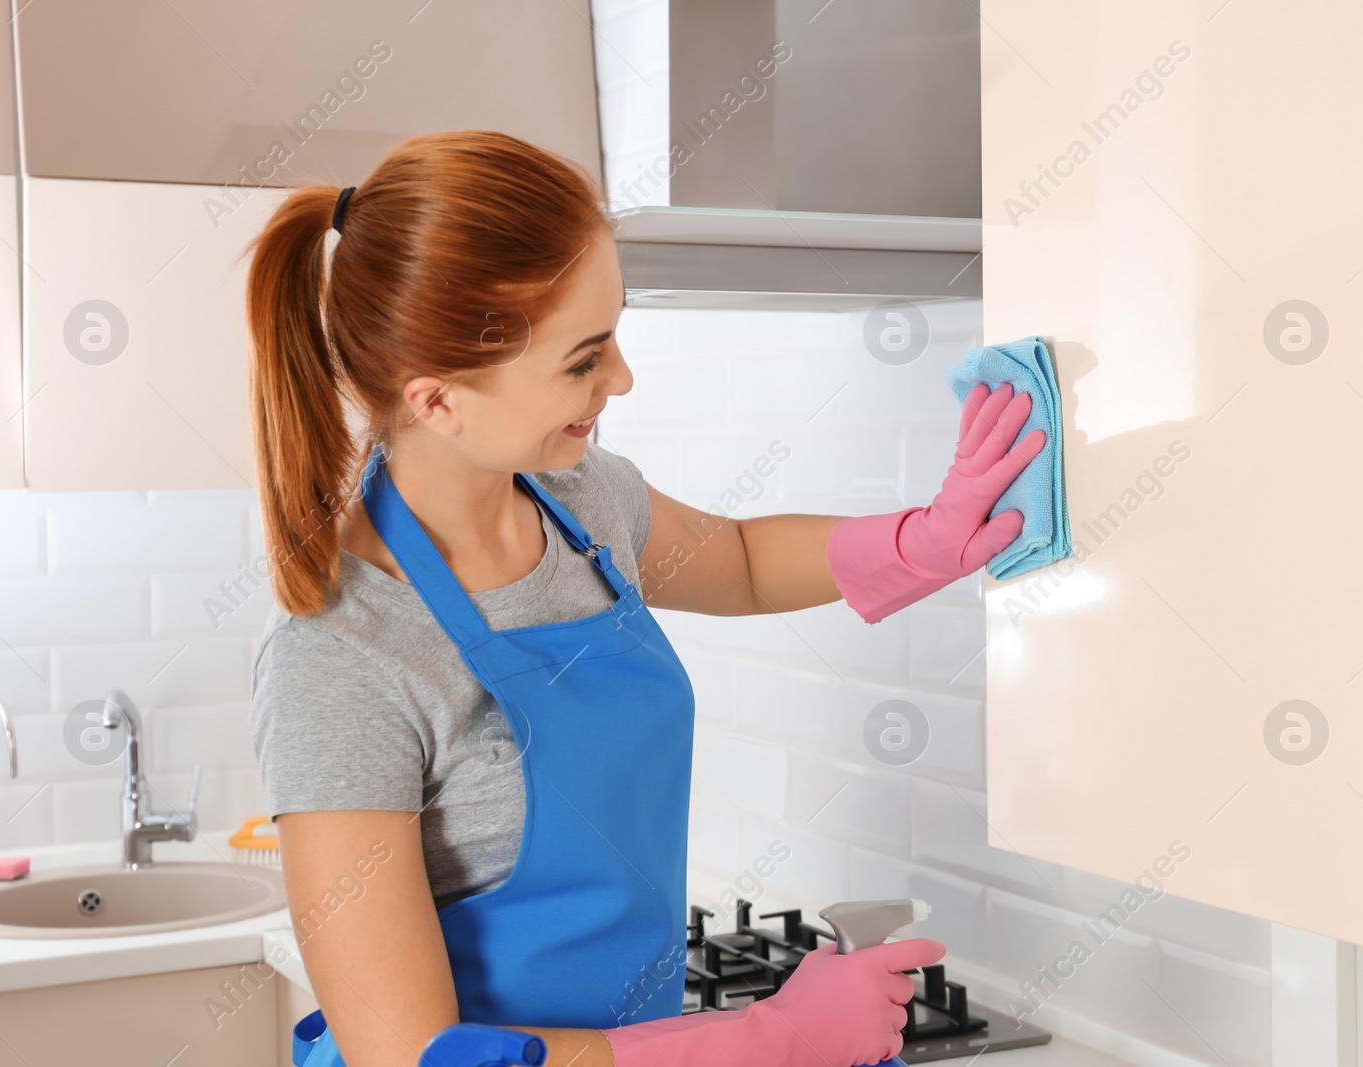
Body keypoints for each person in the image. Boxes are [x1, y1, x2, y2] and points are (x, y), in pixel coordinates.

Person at [245, 130, 1044, 1067]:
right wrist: (767, 1039)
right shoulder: (342, 658)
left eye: (615, 332)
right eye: (583, 361)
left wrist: (928, 537)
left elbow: (739, 561)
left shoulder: (582, 499)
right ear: (437, 401)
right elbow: (416, 1055)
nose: (620, 379)